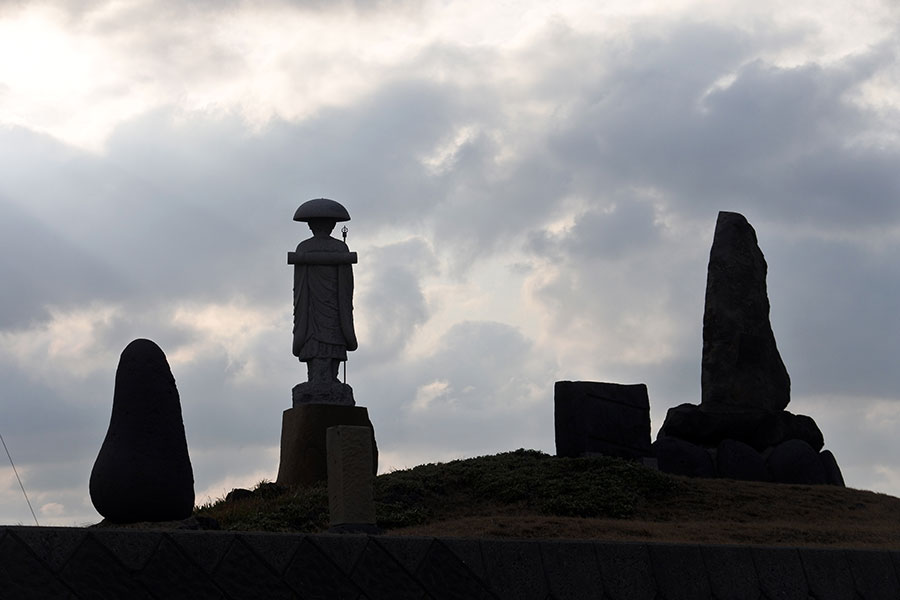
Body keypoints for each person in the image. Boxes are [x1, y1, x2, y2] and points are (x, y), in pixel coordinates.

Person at [290, 199, 358, 385]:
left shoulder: (309, 248)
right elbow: (301, 284)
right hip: (315, 306)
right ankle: (316, 379)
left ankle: (329, 379)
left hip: (330, 305)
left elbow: (346, 284)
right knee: (316, 339)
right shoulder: (335, 249)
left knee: (332, 338)